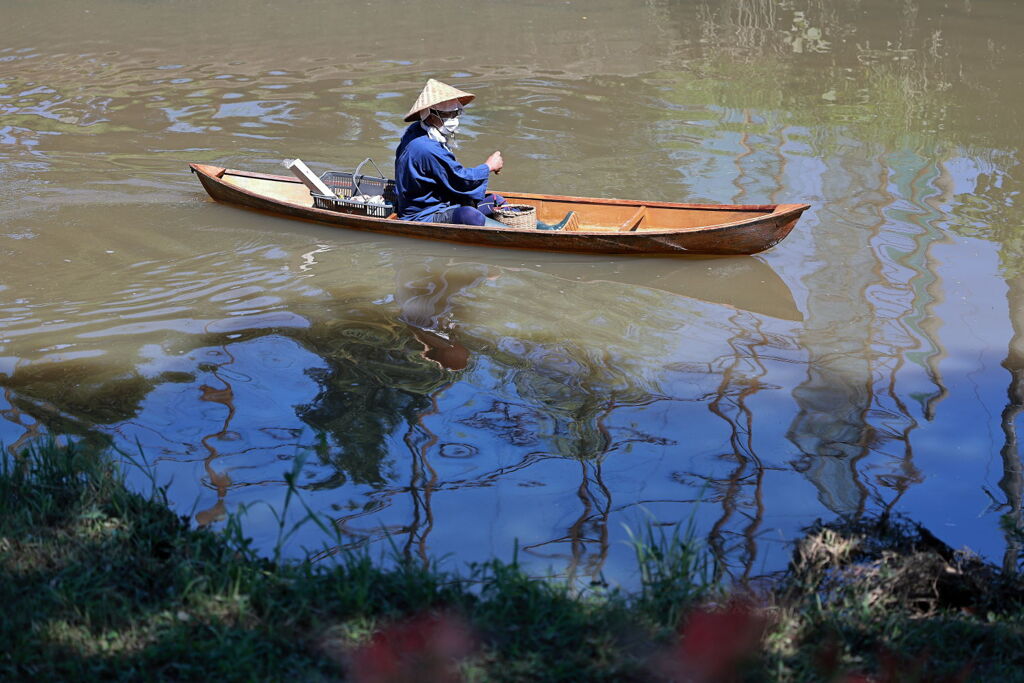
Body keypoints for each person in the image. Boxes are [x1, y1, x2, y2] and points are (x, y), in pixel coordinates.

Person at [394, 79, 505, 225]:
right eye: (448, 115)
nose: (454, 119)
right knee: (471, 216)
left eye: (456, 113)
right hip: (423, 213)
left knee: (497, 200)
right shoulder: (427, 148)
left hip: (441, 198)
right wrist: (488, 166)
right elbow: (460, 180)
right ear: (430, 114)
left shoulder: (417, 130)